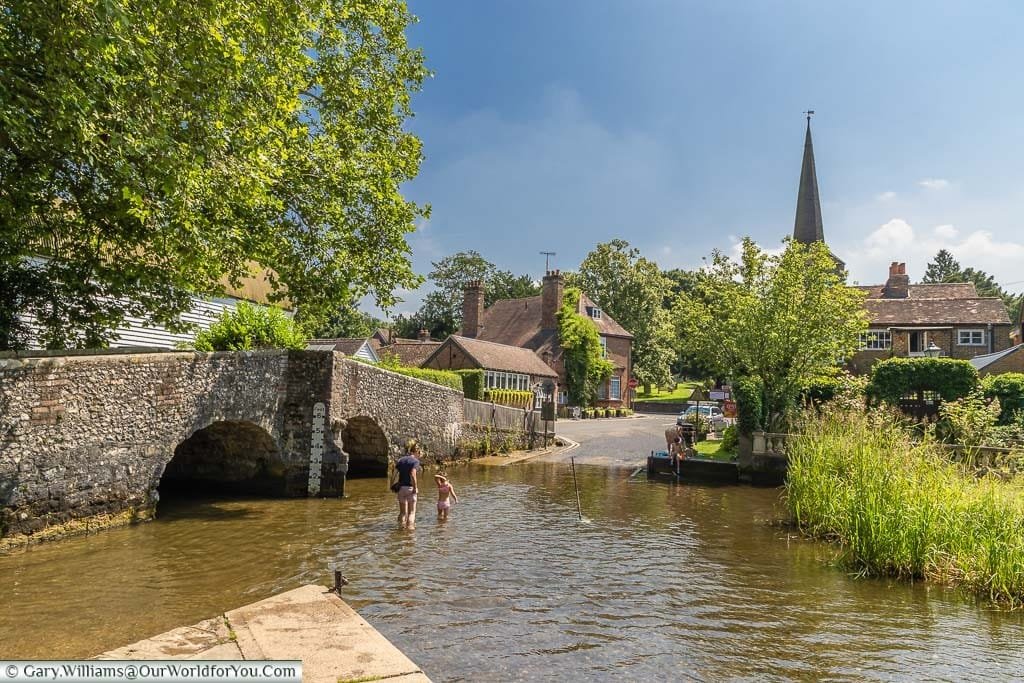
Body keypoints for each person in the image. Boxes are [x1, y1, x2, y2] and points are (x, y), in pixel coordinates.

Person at [395, 439, 422, 529]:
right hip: (410, 488)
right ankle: (410, 533)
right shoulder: (415, 461)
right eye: (419, 453)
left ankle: (401, 529)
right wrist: (415, 488)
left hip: (401, 488)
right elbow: (413, 474)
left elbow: (394, 473)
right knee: (411, 513)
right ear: (416, 451)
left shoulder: (401, 460)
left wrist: (392, 485)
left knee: (402, 512)